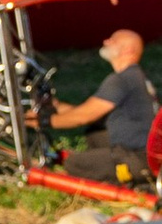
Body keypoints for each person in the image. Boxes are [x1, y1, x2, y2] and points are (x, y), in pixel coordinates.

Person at [50, 26, 157, 183]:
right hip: (145, 156)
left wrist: (44, 120)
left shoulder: (122, 80)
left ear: (128, 50)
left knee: (74, 164)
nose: (106, 41)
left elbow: (83, 116)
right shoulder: (136, 77)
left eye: (113, 40)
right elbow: (88, 112)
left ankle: (129, 184)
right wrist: (57, 107)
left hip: (136, 159)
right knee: (95, 133)